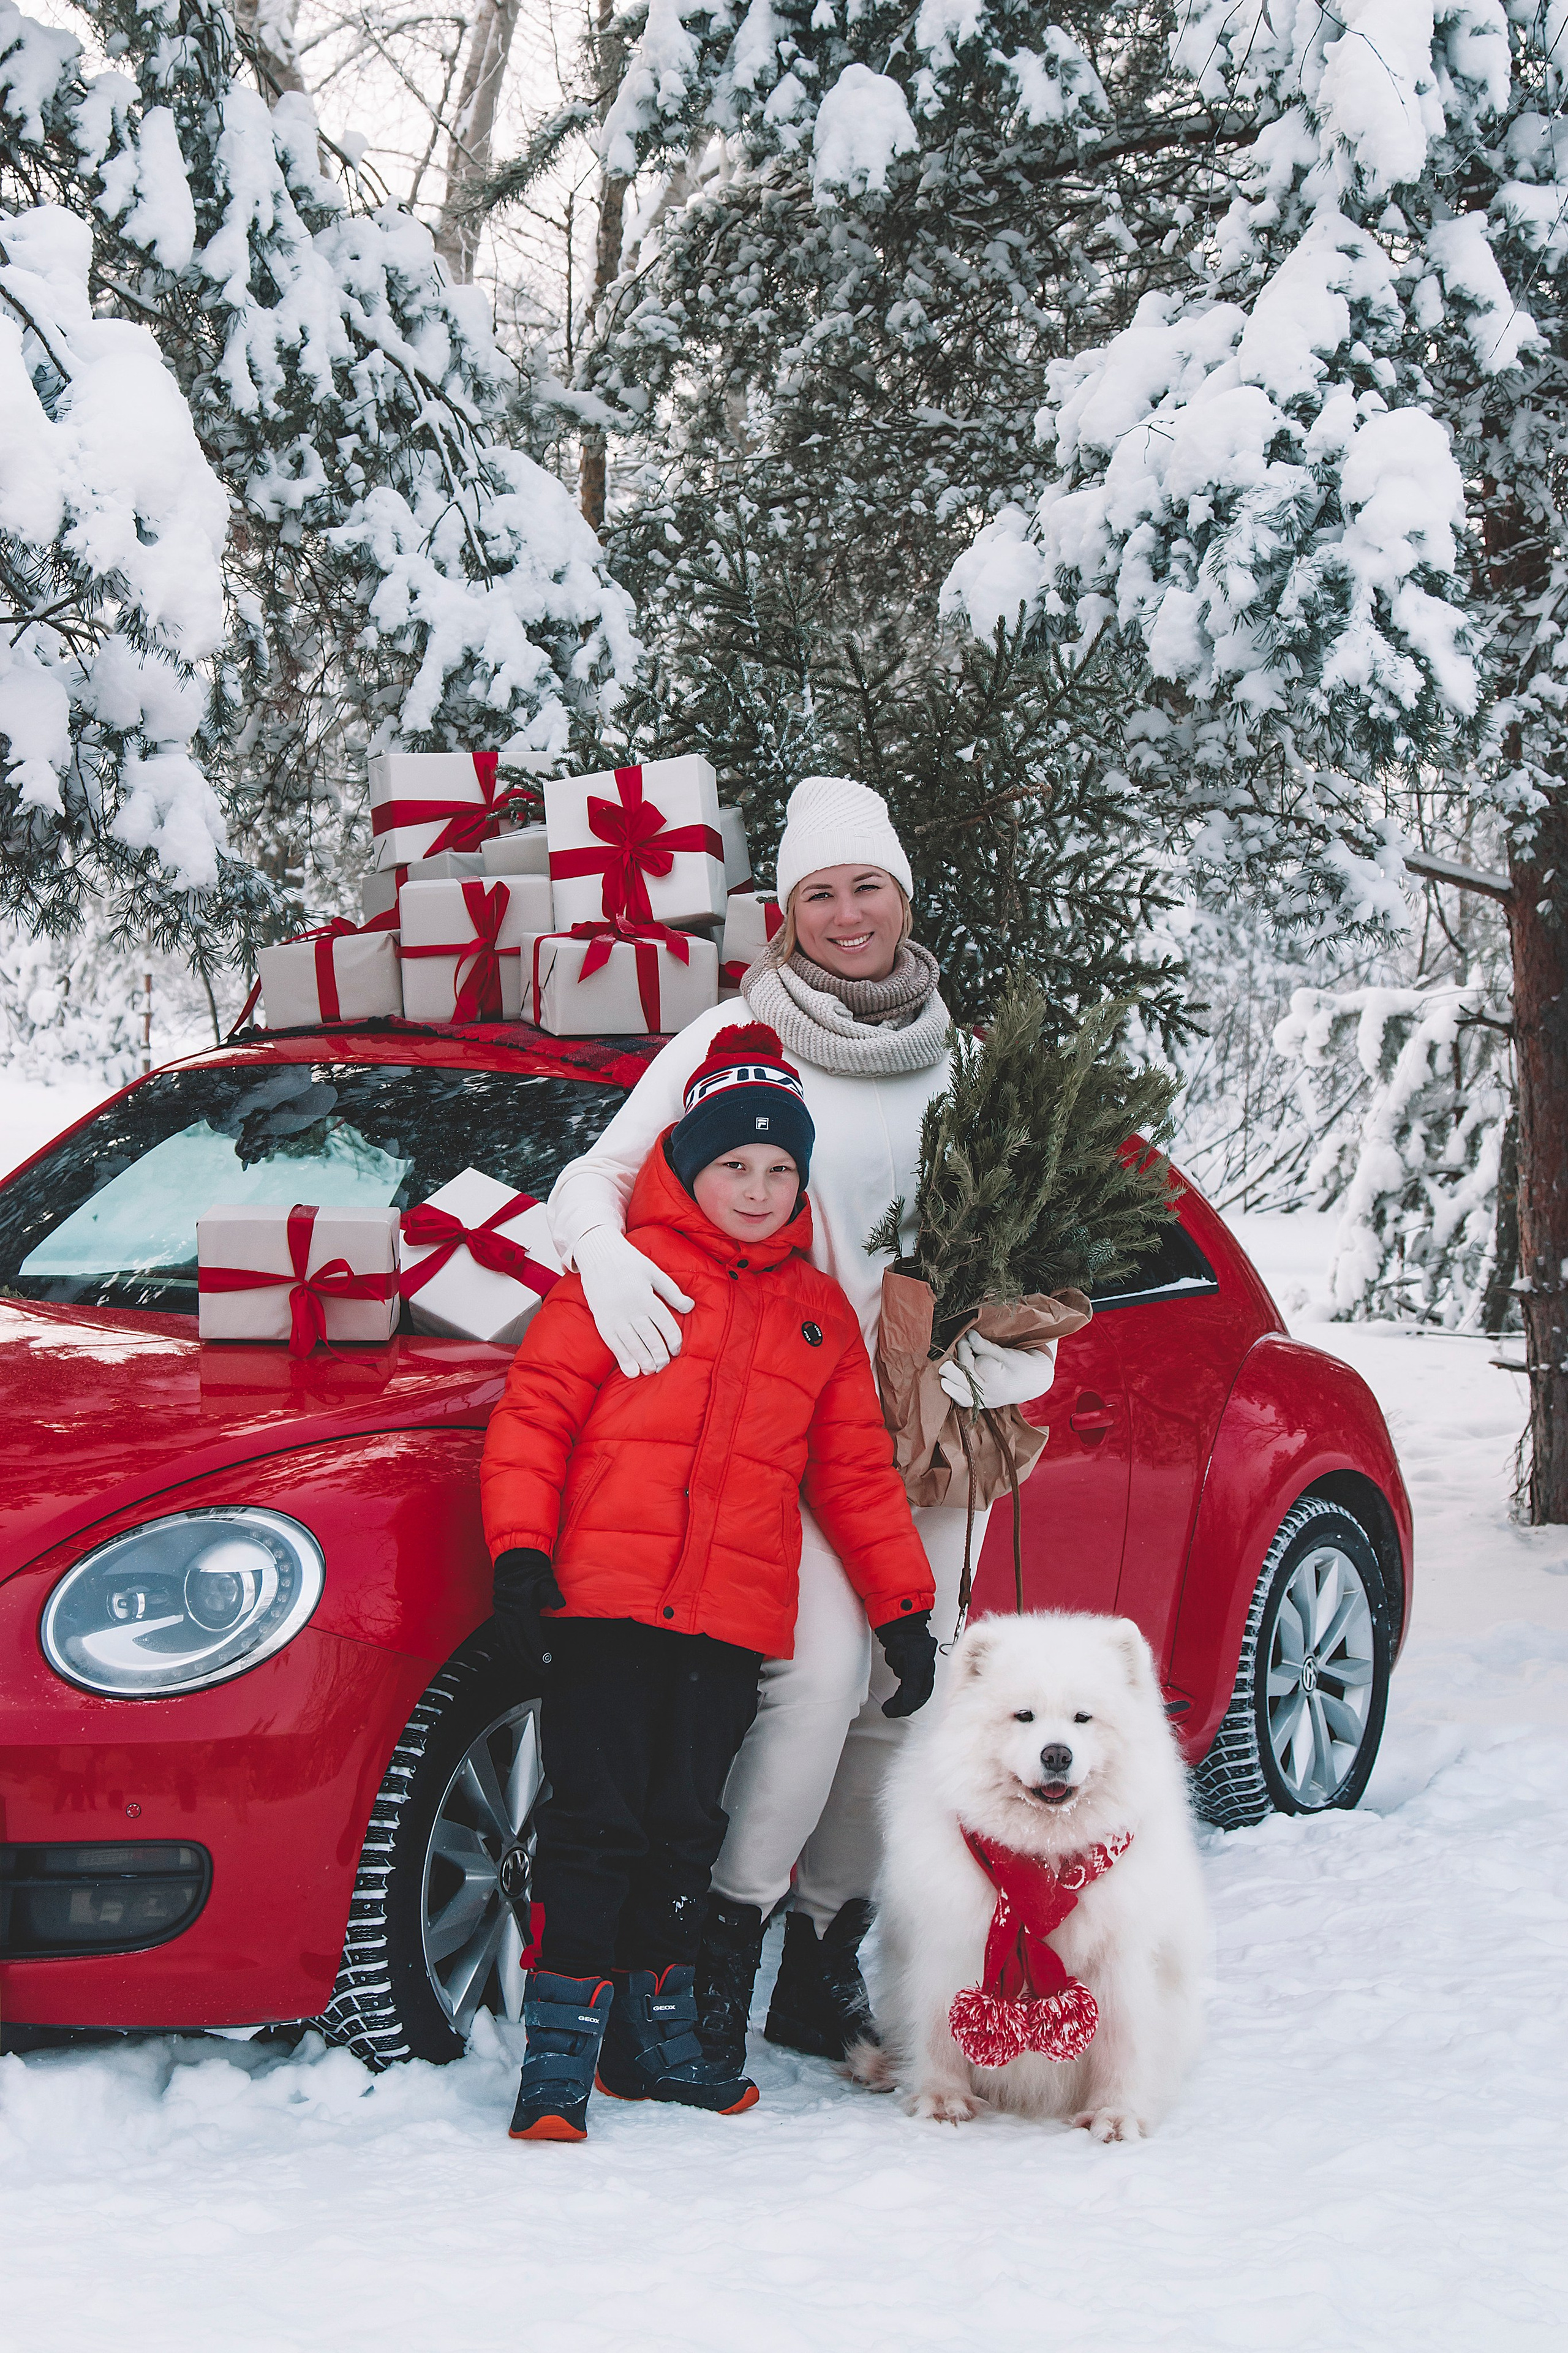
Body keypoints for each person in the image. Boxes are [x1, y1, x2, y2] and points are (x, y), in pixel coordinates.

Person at [545, 776, 1058, 2075]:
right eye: (818, 893)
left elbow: (1040, 1234)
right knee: (821, 1677)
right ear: (786, 912)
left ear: (901, 896)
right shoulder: (734, 1031)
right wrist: (605, 1262)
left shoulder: (968, 1058)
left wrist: (1018, 1358)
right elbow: (593, 1179)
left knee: (903, 1694)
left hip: (934, 1434)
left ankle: (821, 1956)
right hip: (784, 1420)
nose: (845, 915)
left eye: (865, 887)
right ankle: (719, 1933)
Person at [481, 1021, 935, 2142]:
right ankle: (557, 2065)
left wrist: (906, 1613)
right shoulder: (623, 1277)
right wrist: (522, 1554)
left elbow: (859, 1479)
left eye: (782, 1169)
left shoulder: (818, 1316)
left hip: (727, 1622)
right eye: (734, 1162)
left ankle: (660, 2040)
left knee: (687, 1825)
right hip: (607, 1609)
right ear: (687, 1160)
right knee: (598, 1823)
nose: (758, 1186)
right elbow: (534, 1416)